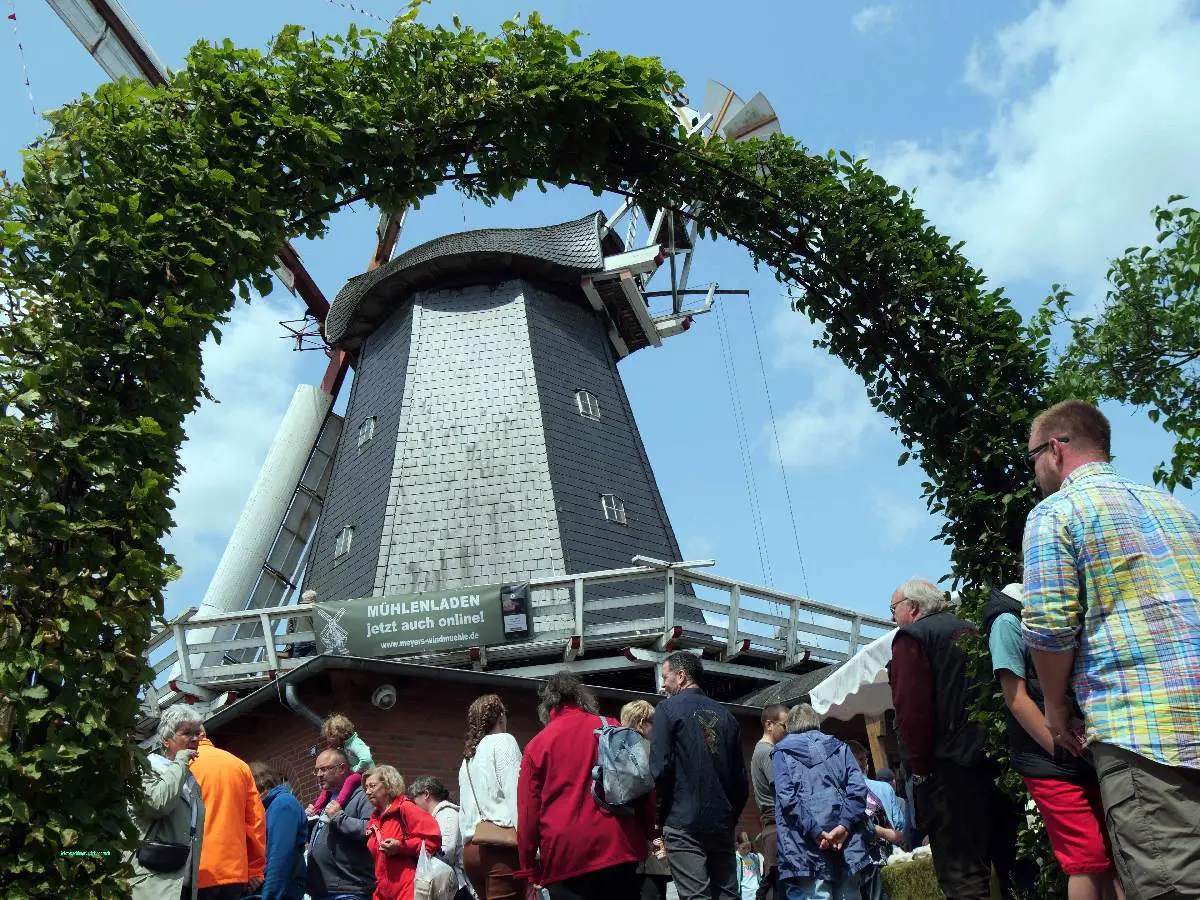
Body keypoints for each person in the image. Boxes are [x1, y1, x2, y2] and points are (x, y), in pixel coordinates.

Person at [1021, 400, 1200, 899]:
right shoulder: (1174, 508)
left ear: (1054, 449)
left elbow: (1051, 625)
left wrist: (1055, 706)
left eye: (1032, 458)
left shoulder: (1054, 513)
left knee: (1173, 886)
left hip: (1142, 732)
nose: (1033, 471)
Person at [983, 583, 1124, 900]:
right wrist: (1058, 748)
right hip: (1049, 761)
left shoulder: (1056, 611)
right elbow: (1015, 698)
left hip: (1081, 753)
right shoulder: (1007, 621)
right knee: (1087, 856)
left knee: (1110, 852)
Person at [887, 578, 1020, 900]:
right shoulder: (973, 630)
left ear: (912, 608)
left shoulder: (911, 638)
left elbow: (912, 711)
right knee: (1013, 867)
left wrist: (920, 771)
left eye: (893, 610)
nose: (892, 618)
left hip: (948, 771)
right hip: (994, 763)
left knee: (964, 878)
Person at [518, 672, 656, 899]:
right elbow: (642, 785)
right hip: (618, 844)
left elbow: (527, 813)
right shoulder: (611, 727)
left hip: (565, 855)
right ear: (583, 698)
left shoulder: (536, 746)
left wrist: (529, 869)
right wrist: (648, 831)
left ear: (548, 706)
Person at [650, 651, 749, 900]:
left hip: (682, 822)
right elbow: (740, 782)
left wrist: (658, 817)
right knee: (727, 895)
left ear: (681, 676)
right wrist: (729, 817)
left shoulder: (667, 710)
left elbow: (660, 769)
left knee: (696, 896)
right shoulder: (728, 718)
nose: (663, 685)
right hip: (721, 823)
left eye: (666, 677)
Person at [772, 704, 869, 900]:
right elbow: (859, 790)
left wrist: (816, 832)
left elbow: (787, 798)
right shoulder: (841, 748)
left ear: (790, 725)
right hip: (846, 843)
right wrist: (844, 826)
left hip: (805, 848)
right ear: (816, 722)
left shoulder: (782, 752)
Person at [128, 706, 207, 900]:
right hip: (150, 885)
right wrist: (180, 762)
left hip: (182, 886)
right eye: (186, 733)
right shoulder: (146, 770)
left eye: (197, 733)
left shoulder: (191, 780)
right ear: (166, 740)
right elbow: (158, 804)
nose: (195, 739)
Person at [458, 694, 522, 900]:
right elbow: (516, 796)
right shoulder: (504, 741)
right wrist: (533, 849)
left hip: (471, 852)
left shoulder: (468, 758)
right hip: (500, 849)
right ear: (501, 715)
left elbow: (464, 811)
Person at [189, 728, 266, 900]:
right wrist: (255, 869)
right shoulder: (239, 765)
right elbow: (255, 821)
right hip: (234, 872)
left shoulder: (182, 768)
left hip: (196, 873)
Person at [307, 748, 377, 900]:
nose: (319, 774)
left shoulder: (363, 796)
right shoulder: (324, 800)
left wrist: (339, 817)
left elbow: (372, 830)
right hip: (321, 889)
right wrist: (308, 823)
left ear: (342, 768)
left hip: (350, 890)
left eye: (324, 769)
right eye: (316, 770)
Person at [364, 765, 443, 900]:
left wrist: (401, 847)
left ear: (388, 786)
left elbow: (432, 841)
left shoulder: (405, 808)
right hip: (383, 892)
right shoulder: (374, 819)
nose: (367, 791)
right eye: (366, 787)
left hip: (409, 889)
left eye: (372, 786)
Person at [621, 700, 671, 900]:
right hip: (651, 842)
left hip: (622, 843)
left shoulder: (615, 750)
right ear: (642, 723)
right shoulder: (651, 750)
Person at [846, 742, 903, 900]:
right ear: (864, 762)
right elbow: (898, 824)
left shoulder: (843, 791)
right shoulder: (884, 788)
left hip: (855, 860)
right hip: (887, 857)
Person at [407, 775, 473, 900]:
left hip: (456, 886)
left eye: (414, 799)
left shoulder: (447, 813)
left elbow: (446, 851)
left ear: (426, 794)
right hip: (444, 884)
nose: (413, 805)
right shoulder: (436, 816)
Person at [249, 761, 307, 900]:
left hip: (281, 893)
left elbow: (279, 858)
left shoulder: (282, 804)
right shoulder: (266, 808)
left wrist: (270, 896)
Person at [750, 704, 789, 900]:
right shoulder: (768, 752)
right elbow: (784, 791)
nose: (788, 731)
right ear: (769, 725)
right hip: (778, 825)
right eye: (785, 726)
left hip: (773, 827)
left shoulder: (763, 750)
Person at [309, 713, 375, 821]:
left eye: (331, 736)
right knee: (326, 790)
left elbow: (366, 759)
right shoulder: (345, 745)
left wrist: (355, 769)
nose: (330, 740)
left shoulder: (355, 743)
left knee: (349, 780)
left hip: (365, 772)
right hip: (357, 771)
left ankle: (337, 806)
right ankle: (315, 811)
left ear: (338, 733)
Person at [735, 834, 765, 900]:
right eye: (743, 848)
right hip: (744, 895)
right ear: (737, 845)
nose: (747, 851)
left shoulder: (754, 857)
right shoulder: (735, 859)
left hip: (756, 893)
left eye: (749, 848)